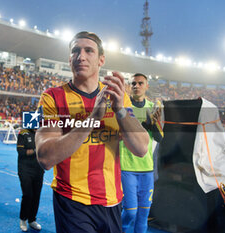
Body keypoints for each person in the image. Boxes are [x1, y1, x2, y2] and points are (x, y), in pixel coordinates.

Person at [35, 31, 149, 233]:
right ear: (70, 59)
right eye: (75, 51)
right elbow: (45, 157)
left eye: (89, 51)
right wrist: (92, 119)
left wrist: (120, 110)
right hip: (72, 200)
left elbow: (141, 148)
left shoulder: (118, 96)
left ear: (101, 60)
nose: (81, 56)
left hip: (112, 200)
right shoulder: (53, 97)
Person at [119, 73, 163, 233]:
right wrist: (145, 124)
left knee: (143, 214)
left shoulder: (153, 107)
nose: (136, 86)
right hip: (127, 167)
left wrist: (154, 125)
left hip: (147, 169)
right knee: (130, 212)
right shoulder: (122, 107)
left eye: (140, 83)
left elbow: (159, 137)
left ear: (146, 86)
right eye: (133, 83)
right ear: (129, 86)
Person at [17, 128, 44, 231]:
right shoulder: (23, 133)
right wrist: (35, 151)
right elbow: (21, 151)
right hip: (25, 169)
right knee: (28, 195)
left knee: (36, 195)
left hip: (38, 170)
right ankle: (23, 219)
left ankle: (32, 220)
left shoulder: (42, 133)